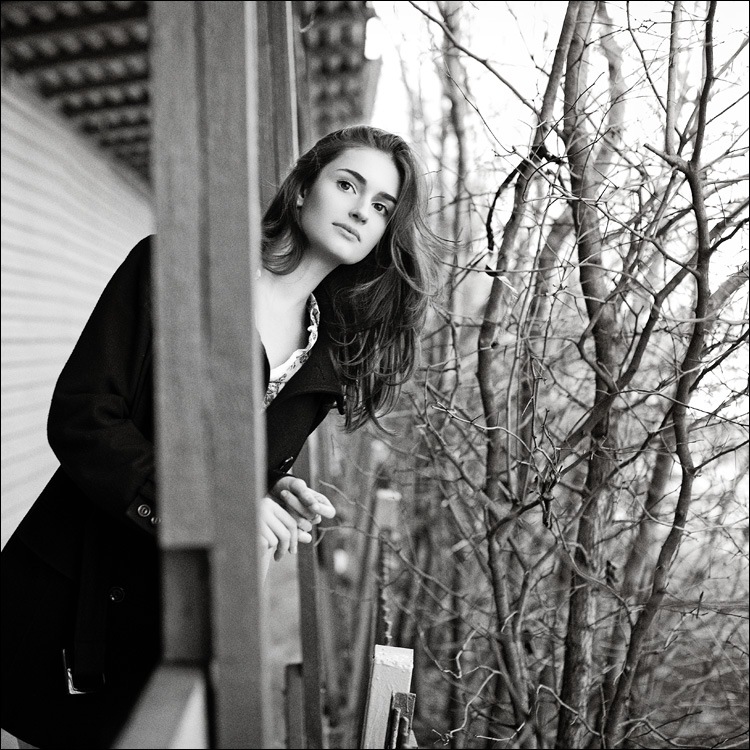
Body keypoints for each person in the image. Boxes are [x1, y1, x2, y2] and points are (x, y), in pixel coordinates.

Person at [0, 125, 444, 748]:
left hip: (171, 618)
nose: (360, 211)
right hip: (69, 590)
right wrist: (226, 504)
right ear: (301, 188)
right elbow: (82, 418)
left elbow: (226, 457)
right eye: (347, 185)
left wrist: (268, 490)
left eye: (381, 206)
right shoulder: (177, 268)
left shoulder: (326, 358)